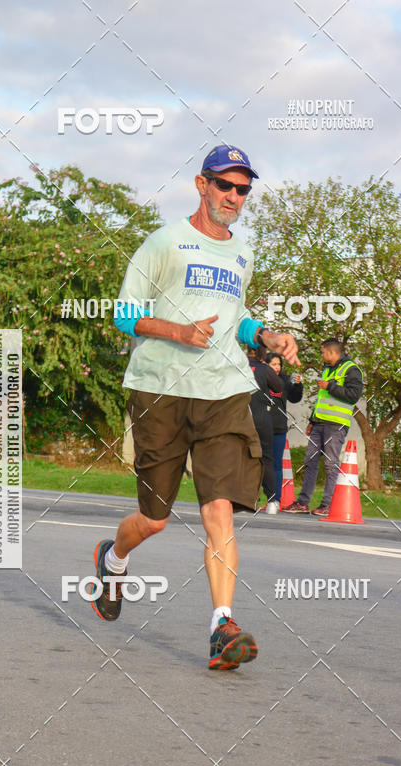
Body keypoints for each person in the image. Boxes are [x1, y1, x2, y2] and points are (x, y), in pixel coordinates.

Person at [91, 144, 300, 671]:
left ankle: (221, 625)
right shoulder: (164, 243)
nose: (233, 196)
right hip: (160, 390)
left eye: (242, 189)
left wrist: (267, 335)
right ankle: (112, 561)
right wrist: (179, 331)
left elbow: (237, 319)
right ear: (201, 185)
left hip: (224, 392)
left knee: (218, 508)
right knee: (154, 520)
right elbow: (124, 314)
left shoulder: (244, 253)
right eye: (224, 185)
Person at [284, 338, 363, 517]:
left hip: (336, 425)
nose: (321, 355)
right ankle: (303, 503)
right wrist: (312, 421)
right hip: (320, 423)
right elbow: (322, 399)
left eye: (322, 352)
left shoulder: (351, 370)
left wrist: (331, 386)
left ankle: (328, 505)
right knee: (309, 461)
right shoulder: (327, 369)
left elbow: (353, 396)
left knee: (330, 464)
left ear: (332, 352)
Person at [248, 345, 284, 514]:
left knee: (243, 459)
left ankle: (248, 499)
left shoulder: (236, 366)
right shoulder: (264, 369)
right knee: (266, 458)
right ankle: (271, 501)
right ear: (262, 353)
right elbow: (278, 387)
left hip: (240, 417)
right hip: (261, 417)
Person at [266, 353, 303, 510]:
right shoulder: (260, 378)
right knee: (258, 463)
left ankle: (275, 500)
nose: (276, 367)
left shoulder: (285, 380)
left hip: (279, 427)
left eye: (278, 364)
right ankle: (252, 497)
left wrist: (298, 385)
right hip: (261, 427)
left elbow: (295, 398)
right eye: (273, 364)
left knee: (276, 464)